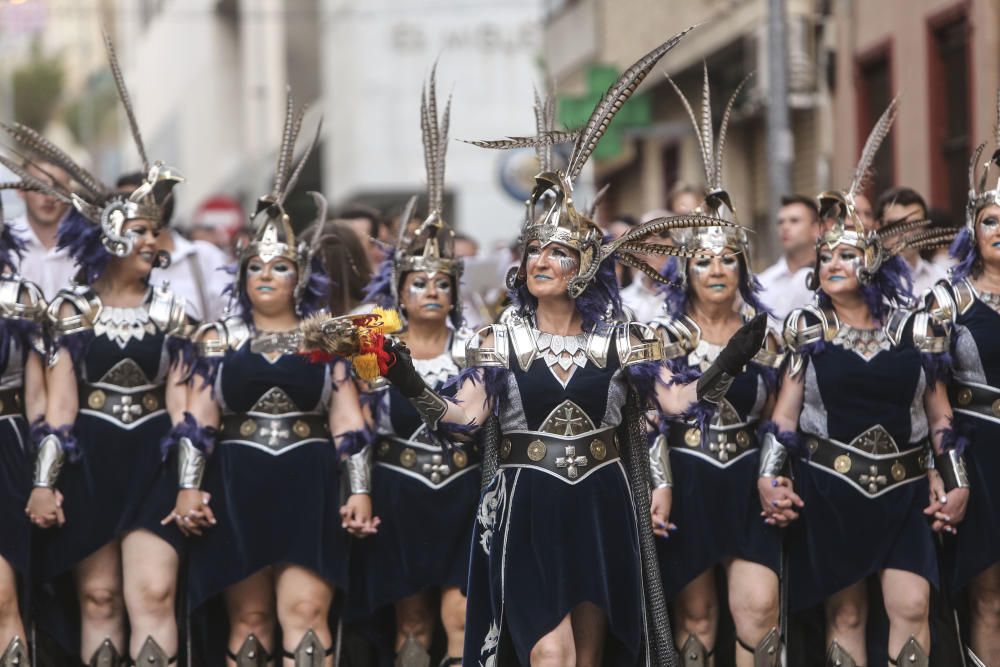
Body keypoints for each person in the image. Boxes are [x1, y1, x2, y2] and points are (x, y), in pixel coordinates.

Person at [372, 30, 770, 666]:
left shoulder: (622, 338)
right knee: (549, 655)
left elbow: (675, 405)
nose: (541, 261)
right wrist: (404, 378)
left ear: (585, 267)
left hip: (602, 504)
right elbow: (466, 420)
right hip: (528, 508)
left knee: (588, 657)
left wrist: (730, 359)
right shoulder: (496, 338)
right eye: (534, 250)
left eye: (558, 251)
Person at [758, 100, 965, 667]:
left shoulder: (917, 327)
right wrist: (768, 480)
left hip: (903, 492)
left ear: (872, 262)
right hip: (829, 488)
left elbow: (941, 416)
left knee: (913, 604)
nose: (832, 264)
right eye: (825, 257)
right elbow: (785, 416)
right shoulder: (807, 327)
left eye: (846, 255)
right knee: (845, 615)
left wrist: (956, 480)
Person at [170, 95, 371, 667]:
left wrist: (358, 489)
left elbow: (349, 420)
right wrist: (188, 486)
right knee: (250, 623)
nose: (266, 275)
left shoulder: (328, 339)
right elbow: (198, 419)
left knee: (306, 620)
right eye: (255, 266)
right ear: (240, 275)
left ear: (299, 276)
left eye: (280, 266)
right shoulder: (219, 338)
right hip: (238, 485)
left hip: (309, 485)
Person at [13, 33, 190, 666]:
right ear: (111, 238)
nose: (153, 240)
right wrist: (43, 482)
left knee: (153, 591)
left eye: (156, 230)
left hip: (151, 462)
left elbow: (186, 406)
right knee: (97, 600)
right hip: (88, 462)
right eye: (141, 230)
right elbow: (58, 405)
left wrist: (191, 483)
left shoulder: (173, 313)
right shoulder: (69, 312)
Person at [650, 70, 783, 666]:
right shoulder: (664, 338)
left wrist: (774, 474)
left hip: (749, 482)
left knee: (759, 611)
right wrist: (661, 486)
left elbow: (785, 416)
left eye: (729, 258)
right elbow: (657, 418)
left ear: (744, 268)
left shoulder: (771, 335)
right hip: (688, 481)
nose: (717, 269)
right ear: (687, 271)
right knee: (697, 620)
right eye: (703, 260)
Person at [348, 73, 478, 666]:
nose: (431, 291)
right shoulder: (371, 339)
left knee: (460, 613)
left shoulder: (478, 343)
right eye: (419, 282)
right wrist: (362, 493)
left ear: (455, 292)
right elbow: (356, 425)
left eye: (442, 283)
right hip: (399, 488)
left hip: (463, 490)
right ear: (399, 290)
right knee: (412, 619)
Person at [926, 102, 1000, 666]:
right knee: (990, 594)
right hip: (980, 452)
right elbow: (932, 396)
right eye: (992, 219)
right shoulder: (949, 301)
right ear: (973, 229)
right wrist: (948, 472)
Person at [0, 188, 47, 666]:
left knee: (2, 596)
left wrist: (44, 477)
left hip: (5, 445)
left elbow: (38, 395)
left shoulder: (19, 297)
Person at [116, 172, 231, 322]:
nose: (121, 212)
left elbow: (231, 317)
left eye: (130, 201)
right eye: (116, 203)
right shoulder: (110, 268)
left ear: (159, 208)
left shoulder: (204, 257)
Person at [3, 156, 77, 298]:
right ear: (21, 190)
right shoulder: (4, 243)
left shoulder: (89, 246)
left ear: (70, 193)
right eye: (38, 186)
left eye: (58, 187)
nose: (49, 197)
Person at [757, 194, 821, 322]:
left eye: (794, 220)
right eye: (780, 222)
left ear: (816, 229)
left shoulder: (830, 278)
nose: (785, 227)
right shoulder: (762, 284)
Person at [875, 186, 947, 297]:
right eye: (896, 225)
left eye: (915, 225)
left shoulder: (942, 280)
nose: (906, 234)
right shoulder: (867, 283)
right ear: (878, 228)